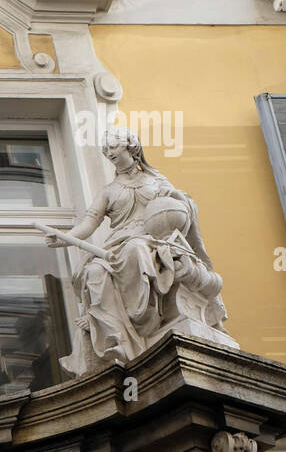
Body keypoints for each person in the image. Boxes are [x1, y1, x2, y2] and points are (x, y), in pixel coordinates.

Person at [42, 127, 227, 368]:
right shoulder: (108, 191)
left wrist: (178, 199)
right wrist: (64, 237)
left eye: (112, 147)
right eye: (105, 149)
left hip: (152, 239)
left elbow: (181, 208)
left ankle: (146, 318)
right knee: (94, 272)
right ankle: (117, 339)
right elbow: (89, 224)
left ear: (130, 146)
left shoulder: (155, 180)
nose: (108, 153)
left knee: (137, 250)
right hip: (119, 242)